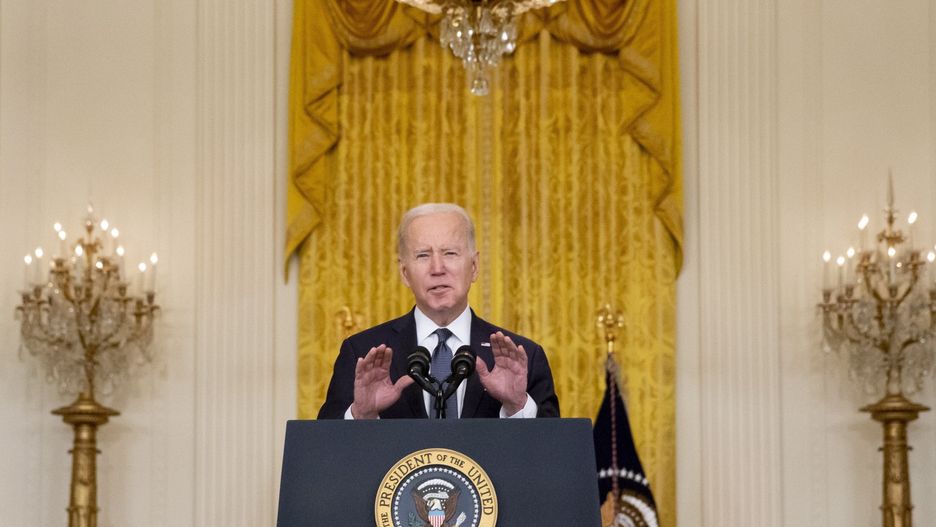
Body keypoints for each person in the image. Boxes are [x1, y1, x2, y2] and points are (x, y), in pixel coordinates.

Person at [317, 203, 559, 419]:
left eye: (450, 253)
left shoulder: (524, 356)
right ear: (404, 273)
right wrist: (362, 415)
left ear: (474, 267)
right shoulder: (361, 353)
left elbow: (554, 456)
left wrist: (517, 405)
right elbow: (325, 452)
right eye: (423, 255)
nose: (437, 268)